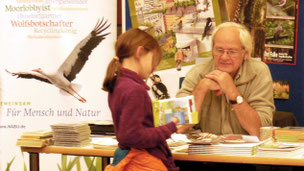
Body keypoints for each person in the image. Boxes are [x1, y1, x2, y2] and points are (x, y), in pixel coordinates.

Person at [176, 22, 275, 137]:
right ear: (212, 50)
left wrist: (232, 92)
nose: (224, 57)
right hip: (206, 151)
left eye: (232, 52)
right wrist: (201, 89)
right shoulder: (198, 72)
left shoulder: (258, 72)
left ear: (245, 54)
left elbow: (260, 131)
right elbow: (177, 127)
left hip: (246, 151)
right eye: (219, 50)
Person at [102, 28, 179, 171]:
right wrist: (169, 127)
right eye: (153, 60)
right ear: (140, 52)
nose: (154, 68)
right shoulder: (135, 90)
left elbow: (129, 131)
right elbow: (133, 135)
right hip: (142, 162)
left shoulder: (118, 84)